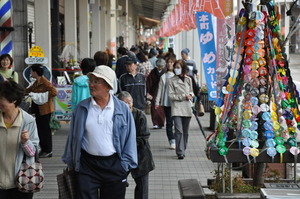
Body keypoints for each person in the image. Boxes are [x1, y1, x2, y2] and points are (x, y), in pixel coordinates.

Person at [62, 65, 137, 199]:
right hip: (87, 166)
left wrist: (125, 166)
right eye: (90, 80)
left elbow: (130, 139)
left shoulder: (122, 109)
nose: (91, 84)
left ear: (108, 86)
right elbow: (73, 137)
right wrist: (71, 162)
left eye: (96, 81)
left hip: (114, 165)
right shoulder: (81, 108)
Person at [0, 80, 39, 199]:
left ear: (14, 100)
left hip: (21, 182)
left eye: (2, 99)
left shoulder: (28, 121)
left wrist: (25, 142)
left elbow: (33, 152)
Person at [118, 91, 155, 199]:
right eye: (125, 102)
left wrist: (130, 144)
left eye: (130, 102)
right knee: (118, 184)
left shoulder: (139, 115)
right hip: (122, 156)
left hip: (141, 156)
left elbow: (144, 136)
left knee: (142, 187)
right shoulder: (116, 115)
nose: (128, 105)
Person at [25, 64, 57, 158]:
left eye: (31, 71)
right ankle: (43, 149)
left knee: (45, 130)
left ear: (35, 72)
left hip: (45, 110)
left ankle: (48, 150)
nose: (31, 73)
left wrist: (43, 95)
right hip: (38, 109)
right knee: (40, 129)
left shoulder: (45, 82)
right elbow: (28, 90)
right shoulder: (37, 82)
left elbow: (54, 92)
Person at [168, 60, 194, 159]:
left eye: (178, 67)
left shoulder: (188, 79)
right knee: (178, 130)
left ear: (183, 68)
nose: (176, 69)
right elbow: (171, 95)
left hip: (187, 107)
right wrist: (183, 96)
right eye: (175, 67)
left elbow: (192, 91)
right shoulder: (171, 80)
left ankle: (183, 148)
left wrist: (191, 95)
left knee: (185, 131)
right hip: (177, 107)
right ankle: (180, 152)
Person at [155, 57, 176, 149]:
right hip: (167, 102)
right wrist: (157, 102)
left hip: (177, 102)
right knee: (169, 122)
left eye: (171, 62)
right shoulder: (163, 77)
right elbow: (159, 90)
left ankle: (177, 139)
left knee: (177, 122)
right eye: (168, 62)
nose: (169, 64)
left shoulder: (178, 76)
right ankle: (172, 140)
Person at [146, 58, 166, 129]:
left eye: (161, 66)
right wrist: (148, 92)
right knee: (154, 108)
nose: (160, 67)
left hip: (163, 91)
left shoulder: (165, 72)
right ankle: (155, 123)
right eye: (159, 66)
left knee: (162, 108)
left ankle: (161, 122)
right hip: (154, 92)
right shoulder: (153, 72)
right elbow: (149, 82)